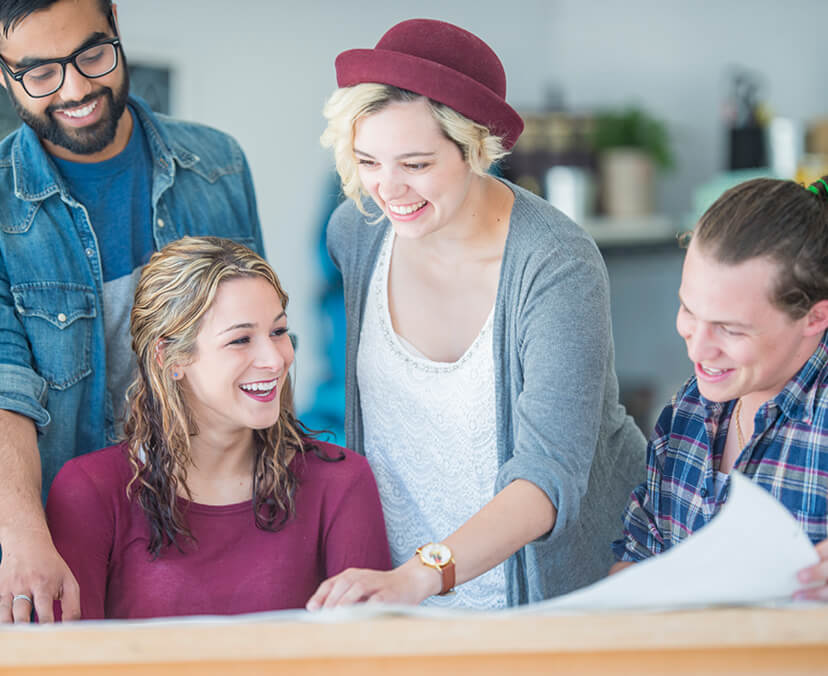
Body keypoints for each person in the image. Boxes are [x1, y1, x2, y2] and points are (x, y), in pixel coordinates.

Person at [307, 18, 645, 610]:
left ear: (476, 148)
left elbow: (546, 479)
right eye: (368, 161)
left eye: (415, 164)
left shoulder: (556, 265)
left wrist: (419, 575)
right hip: (396, 599)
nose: (388, 190)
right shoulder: (357, 234)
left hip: (538, 602)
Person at [0, 0, 264, 622]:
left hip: (210, 522)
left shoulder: (218, 166)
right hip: (58, 536)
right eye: (39, 73)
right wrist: (23, 535)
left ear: (116, 23)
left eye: (92, 54)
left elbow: (257, 346)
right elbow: (5, 384)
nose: (76, 89)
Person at [44, 237, 390, 620]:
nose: (275, 360)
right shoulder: (90, 491)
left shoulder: (342, 483)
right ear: (170, 358)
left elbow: (369, 655)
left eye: (278, 331)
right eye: (241, 340)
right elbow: (68, 658)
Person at [611, 176, 828, 600]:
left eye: (730, 329)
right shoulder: (686, 414)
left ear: (814, 319)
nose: (698, 345)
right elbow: (636, 560)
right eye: (688, 310)